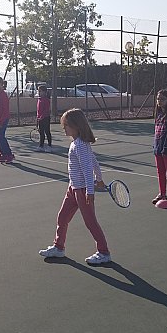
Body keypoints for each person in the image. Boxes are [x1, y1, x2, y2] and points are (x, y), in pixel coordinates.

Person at [39, 108, 111, 265]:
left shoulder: (80, 145)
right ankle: (59, 247)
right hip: (73, 189)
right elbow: (95, 162)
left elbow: (87, 168)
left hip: (83, 191)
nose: (64, 128)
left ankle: (104, 252)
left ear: (76, 126)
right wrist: (99, 179)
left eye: (66, 125)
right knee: (62, 217)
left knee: (90, 222)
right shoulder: (78, 144)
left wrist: (90, 191)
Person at [0, 76, 14, 164]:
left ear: (1, 85)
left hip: (4, 119)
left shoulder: (3, 95)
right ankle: (3, 155)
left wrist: (1, 120)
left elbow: (5, 110)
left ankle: (9, 154)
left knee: (1, 137)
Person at [36, 84, 52, 152]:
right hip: (40, 119)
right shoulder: (39, 100)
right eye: (38, 91)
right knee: (41, 132)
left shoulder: (46, 100)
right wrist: (37, 118)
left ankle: (49, 146)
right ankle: (41, 146)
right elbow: (38, 110)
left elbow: (46, 110)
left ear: (45, 92)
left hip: (46, 118)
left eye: (40, 91)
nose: (39, 92)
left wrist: (42, 117)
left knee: (47, 132)